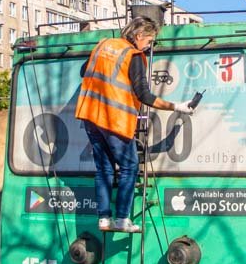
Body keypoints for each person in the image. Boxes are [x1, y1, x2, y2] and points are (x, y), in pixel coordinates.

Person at [76, 17, 194, 233]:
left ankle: (104, 218)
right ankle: (122, 219)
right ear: (139, 36)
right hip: (114, 119)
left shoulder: (103, 45)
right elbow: (144, 95)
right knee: (130, 166)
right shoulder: (134, 55)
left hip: (90, 116)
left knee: (103, 169)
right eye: (149, 41)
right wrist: (177, 106)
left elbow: (84, 71)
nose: (148, 46)